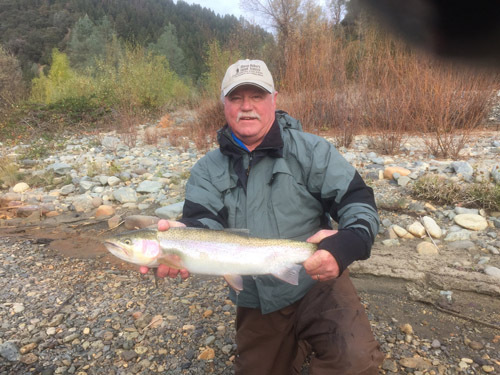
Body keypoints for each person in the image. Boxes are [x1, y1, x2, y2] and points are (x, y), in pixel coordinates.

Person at [141, 59, 384, 374]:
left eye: (256, 96)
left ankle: (313, 335)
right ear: (224, 104)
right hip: (257, 296)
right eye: (236, 98)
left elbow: (357, 200)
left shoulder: (312, 151)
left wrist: (346, 246)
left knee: (356, 363)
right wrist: (183, 234)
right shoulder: (206, 170)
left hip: (317, 282)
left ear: (274, 99)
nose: (246, 107)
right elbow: (203, 223)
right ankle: (298, 342)